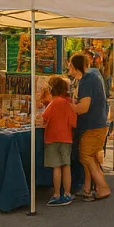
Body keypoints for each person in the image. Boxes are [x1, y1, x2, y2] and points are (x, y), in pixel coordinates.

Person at [70, 53, 111, 201]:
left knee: (86, 156)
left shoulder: (86, 80)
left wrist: (70, 105)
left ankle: (103, 187)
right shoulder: (93, 74)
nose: (68, 68)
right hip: (98, 123)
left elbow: (83, 107)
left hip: (92, 125)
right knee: (91, 157)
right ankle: (87, 188)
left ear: (75, 66)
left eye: (70, 65)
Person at [43, 75, 78, 207]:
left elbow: (44, 116)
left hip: (51, 138)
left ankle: (57, 194)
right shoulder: (69, 104)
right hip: (66, 138)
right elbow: (73, 123)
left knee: (56, 167)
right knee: (66, 166)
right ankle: (67, 193)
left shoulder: (53, 103)